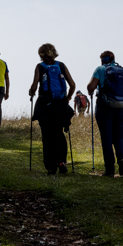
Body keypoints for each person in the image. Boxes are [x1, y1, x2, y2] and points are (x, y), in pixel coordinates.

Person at [28, 43, 79, 175]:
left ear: (41, 55)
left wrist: (31, 92)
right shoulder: (61, 65)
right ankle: (62, 161)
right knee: (59, 133)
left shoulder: (40, 67)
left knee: (47, 136)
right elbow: (72, 84)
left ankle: (51, 167)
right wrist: (67, 98)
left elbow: (34, 86)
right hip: (60, 105)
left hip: (45, 105)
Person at [88, 50, 123, 177]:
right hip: (121, 107)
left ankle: (110, 169)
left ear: (102, 59)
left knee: (107, 138)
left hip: (105, 107)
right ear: (113, 58)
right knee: (119, 137)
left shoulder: (100, 69)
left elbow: (90, 87)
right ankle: (122, 158)